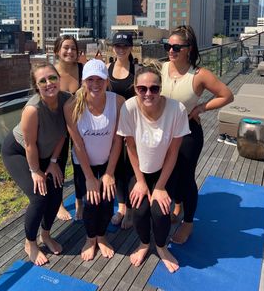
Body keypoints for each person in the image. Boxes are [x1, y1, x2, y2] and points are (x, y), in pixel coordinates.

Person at [161, 25, 233, 244]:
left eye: (176, 47)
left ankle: (188, 222)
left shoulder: (199, 74)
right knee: (169, 174)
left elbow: (226, 95)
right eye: (168, 46)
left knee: (186, 177)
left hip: (188, 133)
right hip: (164, 132)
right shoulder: (162, 68)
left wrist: (201, 108)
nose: (171, 50)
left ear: (188, 49)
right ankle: (177, 206)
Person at [117, 62, 190, 272]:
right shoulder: (129, 108)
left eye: (154, 88)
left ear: (161, 88)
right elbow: (130, 147)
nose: (148, 93)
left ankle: (160, 247)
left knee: (160, 212)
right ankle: (144, 243)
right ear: (135, 88)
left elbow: (173, 152)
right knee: (139, 211)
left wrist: (159, 186)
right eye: (142, 89)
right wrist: (140, 182)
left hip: (164, 171)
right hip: (139, 169)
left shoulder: (177, 109)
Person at [1, 62, 70, 265]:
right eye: (43, 81)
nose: (49, 83)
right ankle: (30, 242)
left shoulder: (67, 101)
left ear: (59, 78)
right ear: (36, 86)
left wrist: (54, 162)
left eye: (52, 78)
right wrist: (36, 171)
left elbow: (62, 135)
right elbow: (30, 145)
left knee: (56, 190)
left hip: (47, 154)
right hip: (19, 153)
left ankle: (46, 235)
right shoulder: (33, 109)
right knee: (39, 196)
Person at [64, 59, 125, 261]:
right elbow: (78, 144)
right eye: (90, 79)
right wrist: (90, 177)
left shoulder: (117, 102)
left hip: (108, 160)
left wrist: (108, 174)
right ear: (83, 82)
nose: (95, 84)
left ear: (107, 81)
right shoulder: (72, 105)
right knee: (91, 202)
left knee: (107, 201)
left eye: (100, 79)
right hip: (84, 163)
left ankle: (102, 236)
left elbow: (118, 140)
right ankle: (91, 239)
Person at [53, 35, 84, 221]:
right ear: (57, 50)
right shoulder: (52, 73)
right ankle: (59, 203)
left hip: (81, 125)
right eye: (66, 48)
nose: (70, 51)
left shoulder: (83, 69)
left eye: (73, 48)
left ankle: (80, 202)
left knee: (79, 165)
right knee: (59, 164)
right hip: (58, 128)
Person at [107, 32, 135, 229]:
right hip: (112, 127)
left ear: (130, 47)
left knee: (131, 167)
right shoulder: (107, 69)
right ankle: (122, 207)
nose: (121, 49)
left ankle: (132, 210)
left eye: (124, 45)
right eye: (117, 45)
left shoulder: (137, 69)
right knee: (116, 167)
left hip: (132, 126)